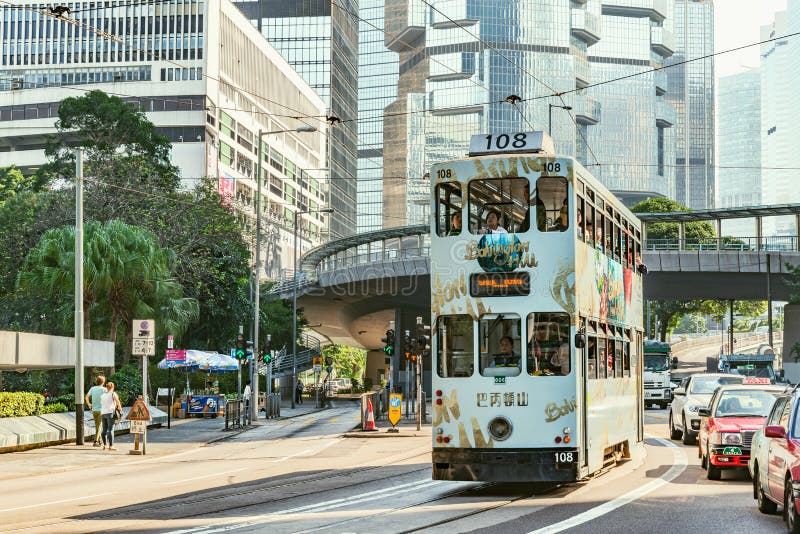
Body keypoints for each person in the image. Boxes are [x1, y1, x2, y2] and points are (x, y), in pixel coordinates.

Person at [100, 381, 122, 451]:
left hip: (103, 413)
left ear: (107, 387)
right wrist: (120, 408)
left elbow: (102, 403)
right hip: (110, 413)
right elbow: (117, 401)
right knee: (110, 430)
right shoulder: (113, 393)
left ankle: (104, 445)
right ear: (112, 387)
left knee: (104, 430)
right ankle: (111, 446)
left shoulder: (103, 395)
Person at [85, 375, 106, 447]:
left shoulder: (92, 388)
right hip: (101, 410)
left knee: (98, 426)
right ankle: (95, 441)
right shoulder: (104, 389)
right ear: (103, 382)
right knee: (99, 426)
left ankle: (100, 441)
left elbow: (87, 396)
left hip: (94, 410)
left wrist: (89, 404)